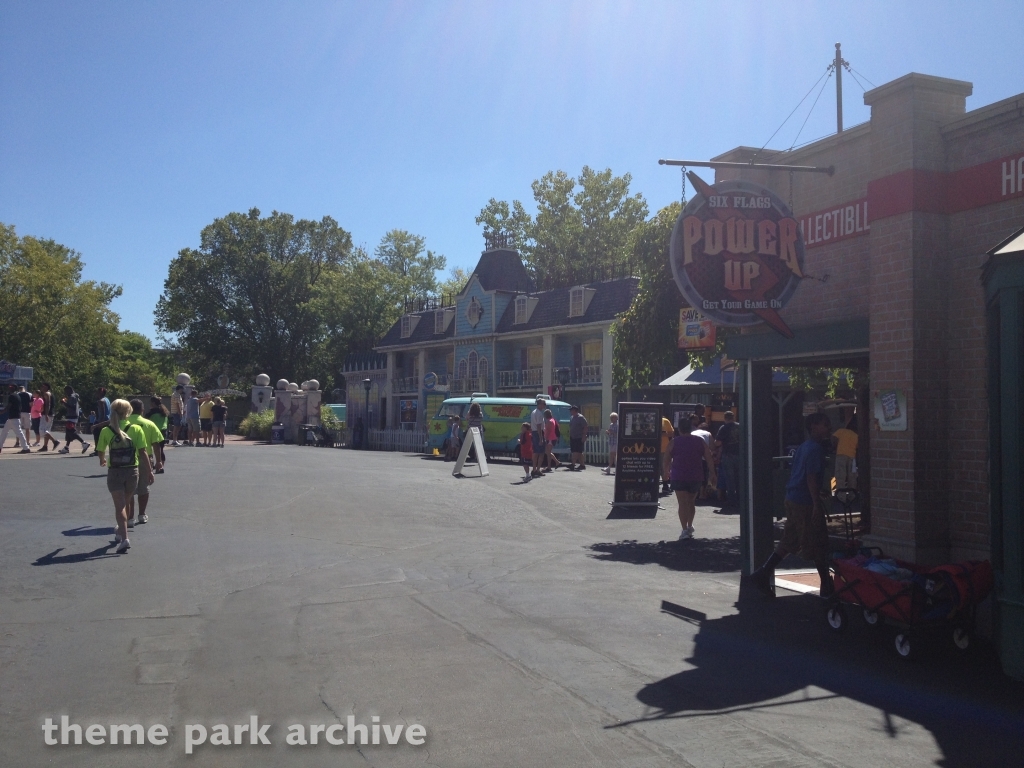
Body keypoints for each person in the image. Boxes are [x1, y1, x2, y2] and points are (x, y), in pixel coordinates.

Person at [747, 412, 834, 598]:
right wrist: (816, 503)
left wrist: (818, 491)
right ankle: (826, 584)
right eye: (824, 424)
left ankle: (763, 572)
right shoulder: (816, 449)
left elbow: (802, 475)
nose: (828, 427)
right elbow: (810, 477)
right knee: (818, 541)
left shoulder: (804, 447)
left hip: (792, 497)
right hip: (805, 502)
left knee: (789, 540)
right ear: (813, 427)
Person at [96, 399, 153, 553]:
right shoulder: (136, 429)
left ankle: (124, 537)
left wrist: (102, 460)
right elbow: (143, 452)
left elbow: (100, 450)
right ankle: (121, 530)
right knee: (126, 502)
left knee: (119, 505)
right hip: (132, 471)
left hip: (115, 471)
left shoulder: (106, 431)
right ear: (128, 412)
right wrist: (149, 471)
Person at [672, 420, 717, 540]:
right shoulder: (700, 441)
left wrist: (665, 472)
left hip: (679, 475)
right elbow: (709, 458)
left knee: (682, 503)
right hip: (696, 475)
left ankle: (684, 529)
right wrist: (712, 473)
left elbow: (666, 458)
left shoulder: (674, 442)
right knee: (691, 502)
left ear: (680, 429)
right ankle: (690, 525)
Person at [125, 399, 163, 527]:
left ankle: (130, 517)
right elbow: (156, 444)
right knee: (144, 487)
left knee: (128, 489)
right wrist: (159, 461)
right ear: (142, 410)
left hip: (126, 459)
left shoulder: (123, 423)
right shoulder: (149, 424)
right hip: (145, 458)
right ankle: (141, 514)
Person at [715, 411, 741, 506]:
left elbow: (718, 443)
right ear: (733, 417)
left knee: (730, 479)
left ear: (725, 418)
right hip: (740, 455)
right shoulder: (740, 426)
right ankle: (740, 499)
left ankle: (732, 500)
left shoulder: (723, 428)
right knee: (739, 478)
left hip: (728, 455)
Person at [0, 384, 31, 454]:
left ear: (14, 389)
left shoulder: (12, 396)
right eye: (9, 387)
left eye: (11, 388)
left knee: (19, 433)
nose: (9, 388)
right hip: (13, 417)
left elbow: (9, 406)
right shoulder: (17, 395)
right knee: (4, 432)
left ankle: (26, 448)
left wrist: (2, 412)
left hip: (14, 417)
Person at [831, 416, 858, 495]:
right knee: (852, 478)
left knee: (840, 478)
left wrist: (835, 447)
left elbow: (833, 438)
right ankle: (852, 497)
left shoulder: (841, 431)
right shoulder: (856, 436)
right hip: (852, 459)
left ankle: (840, 498)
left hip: (841, 456)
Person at [59, 385, 90, 454]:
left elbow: (72, 407)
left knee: (71, 431)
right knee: (68, 432)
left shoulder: (72, 397)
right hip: (73, 415)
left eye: (66, 391)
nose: (66, 393)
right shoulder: (74, 397)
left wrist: (64, 403)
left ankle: (84, 443)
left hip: (72, 416)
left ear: (70, 390)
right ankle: (66, 447)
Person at [690, 416, 713, 499]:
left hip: (691, 458)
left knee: (693, 475)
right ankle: (702, 494)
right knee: (703, 475)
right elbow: (712, 447)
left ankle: (694, 493)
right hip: (702, 458)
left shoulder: (693, 432)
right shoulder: (708, 434)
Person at [146, 397, 170, 471]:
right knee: (160, 449)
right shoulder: (164, 411)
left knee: (149, 449)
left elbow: (145, 420)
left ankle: (151, 464)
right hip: (163, 431)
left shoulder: (152, 412)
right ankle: (161, 466)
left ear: (153, 403)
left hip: (154, 431)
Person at [38, 382, 60, 452]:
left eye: (43, 386)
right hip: (50, 414)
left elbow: (48, 405)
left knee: (42, 430)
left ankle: (55, 441)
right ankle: (45, 446)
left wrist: (46, 414)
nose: (41, 387)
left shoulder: (46, 394)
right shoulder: (49, 394)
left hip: (46, 414)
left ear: (47, 387)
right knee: (47, 430)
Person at [529, 396, 547, 478]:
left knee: (535, 452)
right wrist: (541, 438)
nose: (545, 405)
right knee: (541, 453)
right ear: (540, 404)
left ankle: (534, 468)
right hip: (538, 433)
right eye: (544, 404)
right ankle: (537, 469)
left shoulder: (533, 412)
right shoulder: (539, 413)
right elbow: (539, 426)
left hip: (534, 432)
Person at [567, 405, 588, 470]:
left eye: (571, 410)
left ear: (575, 410)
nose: (570, 411)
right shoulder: (572, 417)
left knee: (576, 451)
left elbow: (585, 427)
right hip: (573, 437)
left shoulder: (581, 418)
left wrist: (584, 436)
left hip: (579, 437)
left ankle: (573, 464)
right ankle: (582, 465)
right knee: (579, 452)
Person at [660, 413, 674, 494]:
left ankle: (665, 486)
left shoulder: (665, 421)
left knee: (665, 467)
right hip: (651, 449)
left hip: (664, 449)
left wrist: (663, 433)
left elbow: (672, 433)